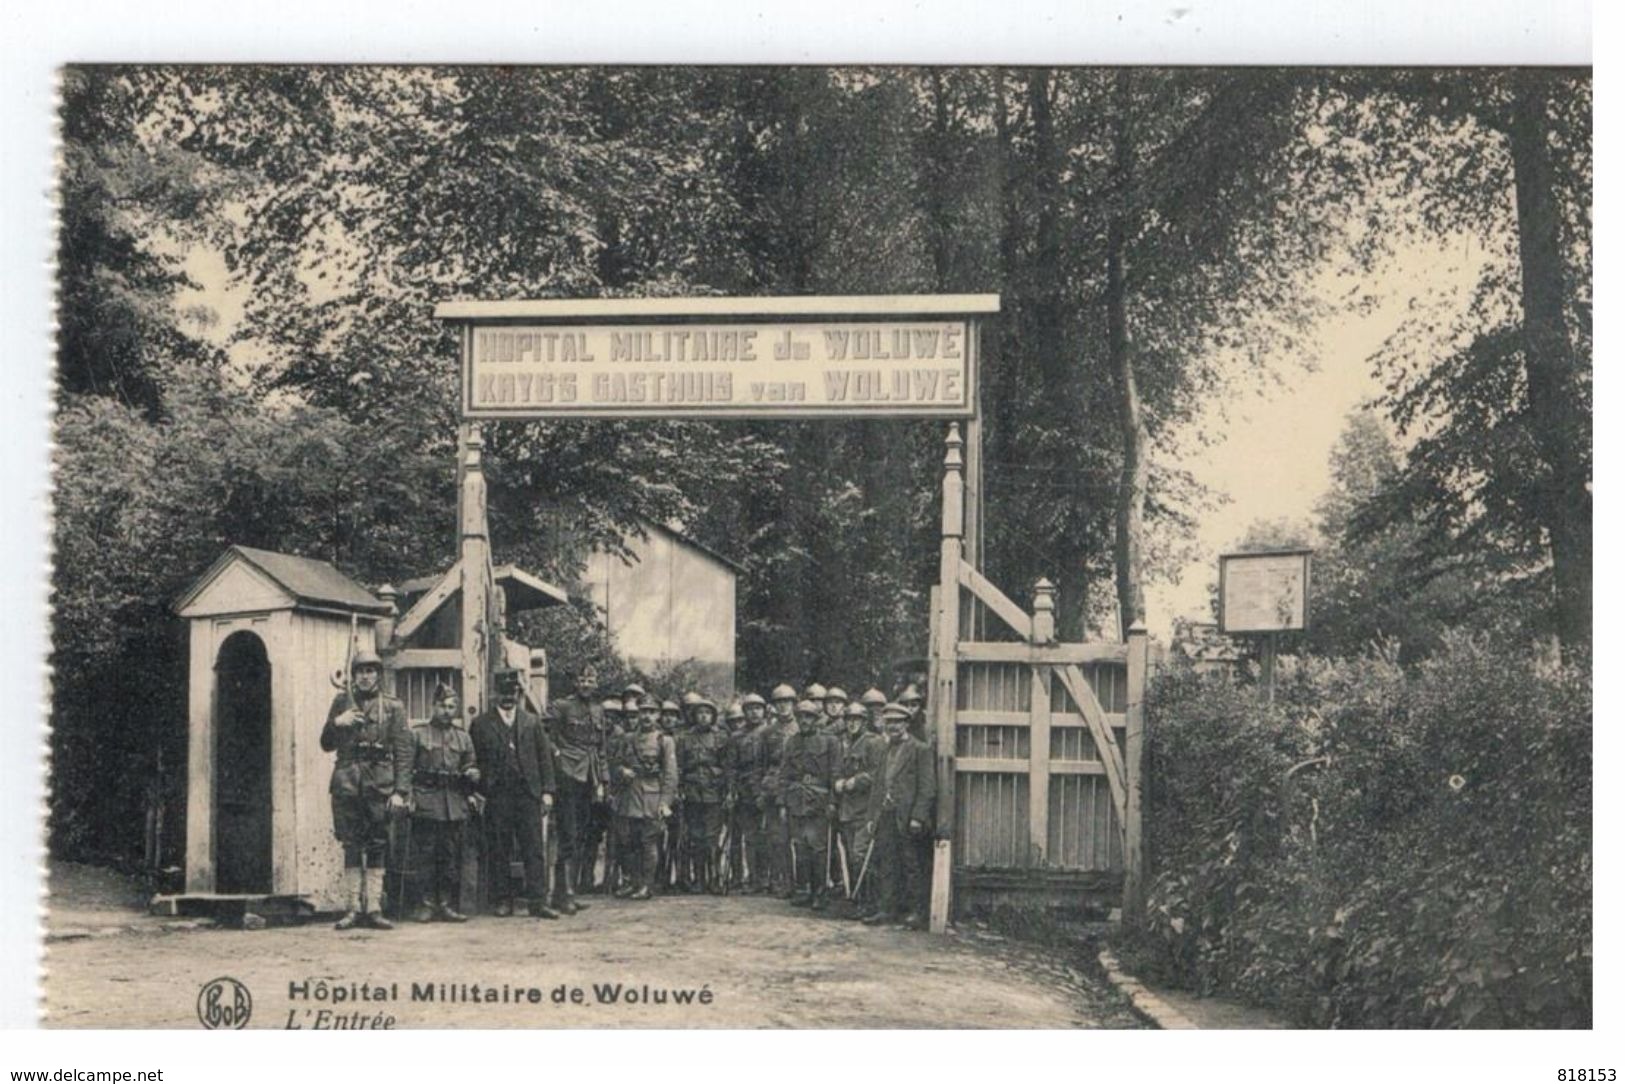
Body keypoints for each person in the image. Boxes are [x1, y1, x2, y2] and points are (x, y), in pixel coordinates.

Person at [320, 647, 412, 931]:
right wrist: (338, 722)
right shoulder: (341, 702)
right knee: (350, 844)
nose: (365, 676)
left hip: (380, 784)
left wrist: (400, 791)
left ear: (378, 675)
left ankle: (373, 908)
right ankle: (352, 909)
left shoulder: (393, 707)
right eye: (360, 671)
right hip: (347, 783)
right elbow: (325, 743)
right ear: (353, 675)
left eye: (371, 671)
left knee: (377, 845)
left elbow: (404, 751)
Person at [470, 669, 561, 920]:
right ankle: (502, 900)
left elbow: (544, 759)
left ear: (518, 694)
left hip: (528, 794)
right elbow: (473, 760)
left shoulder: (532, 722)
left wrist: (547, 792)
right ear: (494, 694)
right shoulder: (480, 724)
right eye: (503, 692)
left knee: (534, 848)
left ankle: (537, 902)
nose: (508, 697)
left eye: (512, 692)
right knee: (499, 848)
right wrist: (478, 792)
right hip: (497, 795)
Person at [408, 683, 480, 923]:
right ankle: (426, 904)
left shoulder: (463, 737)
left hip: (453, 804)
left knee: (450, 857)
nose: (447, 711)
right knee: (426, 856)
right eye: (442, 706)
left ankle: (447, 904)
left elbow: (470, 764)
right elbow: (406, 769)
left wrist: (472, 774)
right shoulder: (418, 734)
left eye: (451, 707)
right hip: (427, 801)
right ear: (433, 706)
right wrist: (409, 796)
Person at [862, 703, 936, 930]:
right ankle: (887, 910)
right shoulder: (885, 750)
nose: (893, 727)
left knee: (912, 864)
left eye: (897, 722)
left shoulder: (920, 749)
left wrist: (918, 817)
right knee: (887, 863)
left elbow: (927, 787)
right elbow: (877, 786)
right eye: (889, 722)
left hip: (908, 818)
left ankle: (916, 912)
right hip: (886, 815)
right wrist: (871, 817)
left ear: (906, 723)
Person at [544, 664, 606, 915]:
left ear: (596, 683)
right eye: (582, 680)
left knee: (581, 834)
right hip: (568, 774)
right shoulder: (561, 706)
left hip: (589, 776)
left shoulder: (599, 710)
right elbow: (544, 733)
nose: (586, 684)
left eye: (590, 680)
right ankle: (563, 893)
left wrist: (602, 780)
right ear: (576, 683)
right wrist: (557, 754)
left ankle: (569, 891)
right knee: (567, 833)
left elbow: (600, 748)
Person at [609, 694, 677, 900]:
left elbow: (670, 774)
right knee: (628, 842)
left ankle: (647, 885)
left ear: (657, 715)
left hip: (651, 796)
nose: (646, 716)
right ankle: (633, 882)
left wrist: (665, 802)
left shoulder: (664, 741)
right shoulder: (628, 738)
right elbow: (616, 763)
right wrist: (622, 771)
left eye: (651, 712)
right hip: (630, 796)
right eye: (643, 711)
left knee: (649, 842)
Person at [779, 698, 838, 911]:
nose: (804, 720)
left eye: (809, 717)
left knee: (818, 848)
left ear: (816, 719)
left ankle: (820, 892)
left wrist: (832, 801)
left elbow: (834, 773)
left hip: (818, 801)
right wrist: (783, 804)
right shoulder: (791, 742)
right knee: (800, 847)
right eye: (801, 716)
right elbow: (784, 775)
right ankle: (804, 890)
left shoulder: (830, 741)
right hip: (796, 800)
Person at [678, 695, 731, 894]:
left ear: (713, 716)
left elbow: (728, 767)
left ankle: (715, 878)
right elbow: (680, 767)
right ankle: (699, 879)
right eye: (700, 713)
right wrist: (680, 790)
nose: (703, 717)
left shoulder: (721, 738)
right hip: (692, 794)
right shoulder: (685, 738)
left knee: (712, 839)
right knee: (695, 837)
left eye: (707, 713)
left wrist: (728, 792)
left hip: (713, 794)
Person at [833, 701, 883, 913]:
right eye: (849, 719)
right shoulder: (843, 742)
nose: (852, 723)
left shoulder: (874, 742)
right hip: (846, 810)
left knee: (860, 855)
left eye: (857, 720)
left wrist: (856, 781)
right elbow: (836, 769)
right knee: (850, 855)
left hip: (865, 810)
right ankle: (855, 897)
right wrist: (837, 781)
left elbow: (877, 774)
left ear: (864, 721)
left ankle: (869, 902)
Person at [762, 684, 798, 897]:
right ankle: (780, 881)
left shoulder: (801, 727)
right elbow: (763, 763)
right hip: (774, 789)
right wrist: (764, 788)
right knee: (777, 839)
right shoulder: (768, 732)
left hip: (796, 787)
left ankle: (799, 882)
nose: (783, 706)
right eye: (779, 703)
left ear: (793, 704)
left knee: (799, 839)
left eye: (787, 702)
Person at [732, 692, 771, 894]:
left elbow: (773, 763)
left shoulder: (770, 732)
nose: (754, 712)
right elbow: (732, 767)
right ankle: (753, 878)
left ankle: (767, 879)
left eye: (758, 708)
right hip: (745, 790)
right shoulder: (737, 736)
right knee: (750, 837)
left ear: (764, 711)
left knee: (767, 836)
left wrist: (767, 788)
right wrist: (734, 790)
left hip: (766, 789)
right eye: (750, 709)